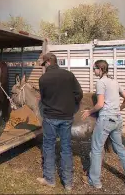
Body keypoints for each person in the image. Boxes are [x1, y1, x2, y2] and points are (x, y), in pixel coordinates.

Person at [81, 59, 125, 190]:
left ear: (100, 69)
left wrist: (89, 111)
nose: (94, 71)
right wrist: (118, 109)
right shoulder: (115, 81)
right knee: (120, 149)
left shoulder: (101, 82)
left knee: (96, 149)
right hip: (118, 119)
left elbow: (100, 104)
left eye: (94, 69)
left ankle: (94, 181)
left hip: (106, 120)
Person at [37, 52, 83, 191]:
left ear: (49, 62)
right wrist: (71, 107)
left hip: (50, 117)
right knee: (66, 148)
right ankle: (68, 183)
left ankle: (50, 180)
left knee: (49, 147)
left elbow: (43, 99)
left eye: (44, 64)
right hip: (67, 117)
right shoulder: (69, 75)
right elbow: (79, 94)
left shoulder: (43, 79)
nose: (43, 67)